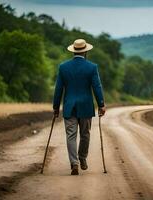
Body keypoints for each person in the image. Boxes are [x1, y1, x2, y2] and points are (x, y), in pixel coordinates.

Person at [53, 39, 106, 175]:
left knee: (71, 135)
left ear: (73, 51)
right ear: (86, 51)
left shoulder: (63, 67)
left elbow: (58, 89)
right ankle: (82, 158)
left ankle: (74, 163)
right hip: (86, 106)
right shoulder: (92, 67)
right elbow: (97, 87)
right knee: (85, 134)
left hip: (69, 106)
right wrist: (101, 104)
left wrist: (55, 107)